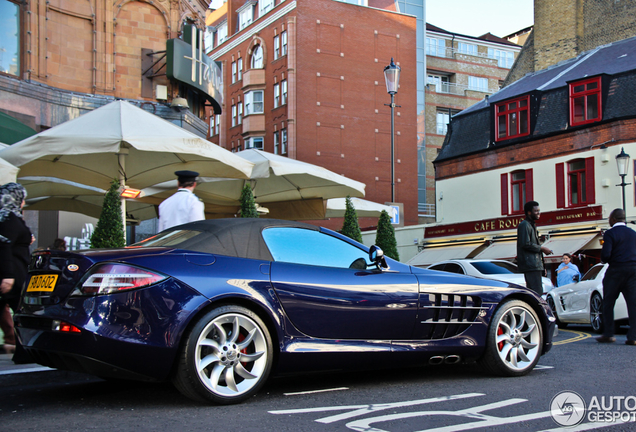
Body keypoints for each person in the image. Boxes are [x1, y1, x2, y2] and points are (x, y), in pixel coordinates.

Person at [0, 182, 34, 361]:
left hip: (13, 270)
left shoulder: (8, 217)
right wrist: (8, 275)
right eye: (23, 198)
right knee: (22, 311)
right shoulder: (8, 218)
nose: (23, 202)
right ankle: (22, 353)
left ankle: (21, 351)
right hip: (13, 271)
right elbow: (4, 245)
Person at [596, 208, 636, 345]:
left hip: (616, 270)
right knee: (633, 303)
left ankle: (608, 334)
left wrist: (605, 258)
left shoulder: (610, 233)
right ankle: (633, 336)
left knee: (608, 302)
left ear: (613, 219)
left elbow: (606, 255)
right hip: (633, 270)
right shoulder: (633, 233)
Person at [517, 201, 553, 296]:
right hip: (531, 265)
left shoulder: (530, 225)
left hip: (533, 265)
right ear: (529, 212)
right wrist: (542, 248)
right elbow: (525, 244)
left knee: (536, 291)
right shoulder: (525, 225)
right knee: (536, 292)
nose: (538, 213)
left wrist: (542, 266)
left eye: (539, 211)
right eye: (536, 211)